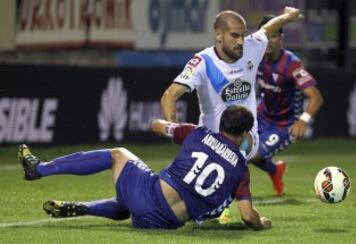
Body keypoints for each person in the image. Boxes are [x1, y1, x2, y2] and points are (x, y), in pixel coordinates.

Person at [19, 105, 272, 230]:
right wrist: (263, 223)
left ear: (222, 124)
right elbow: (248, 215)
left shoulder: (197, 133)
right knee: (130, 202)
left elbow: (155, 125)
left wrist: (173, 125)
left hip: (150, 196)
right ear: (245, 133)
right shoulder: (241, 169)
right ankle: (86, 208)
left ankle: (38, 169)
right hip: (163, 223)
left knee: (118, 155)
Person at [160, 7, 304, 165]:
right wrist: (174, 129)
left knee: (236, 154)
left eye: (243, 35)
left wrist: (288, 17)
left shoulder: (252, 47)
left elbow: (267, 28)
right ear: (218, 35)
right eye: (235, 36)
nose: (241, 41)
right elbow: (170, 95)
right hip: (210, 140)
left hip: (246, 137)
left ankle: (236, 170)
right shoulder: (202, 62)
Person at [250, 15, 324, 196]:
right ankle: (275, 171)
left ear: (281, 39)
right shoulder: (255, 57)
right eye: (266, 35)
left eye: (274, 36)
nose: (269, 41)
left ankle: (233, 200)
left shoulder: (292, 65)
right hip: (260, 115)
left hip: (284, 126)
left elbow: (316, 97)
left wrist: (303, 121)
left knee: (251, 154)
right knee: (236, 148)